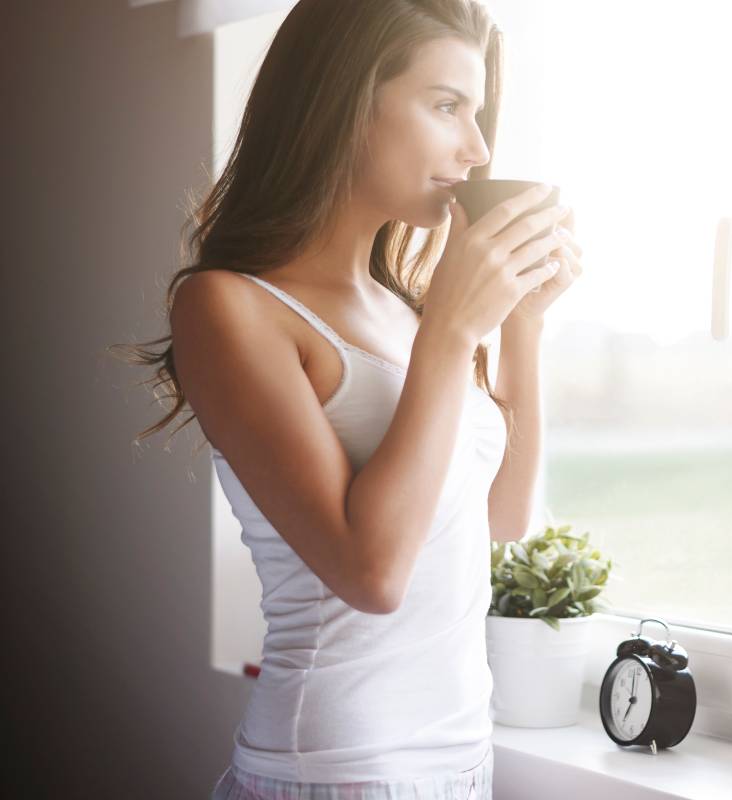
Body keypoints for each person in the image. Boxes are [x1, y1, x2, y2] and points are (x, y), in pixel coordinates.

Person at [111, 1, 583, 797]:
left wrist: (522, 326)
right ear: (344, 102)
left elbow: (502, 518)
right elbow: (372, 575)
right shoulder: (229, 307)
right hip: (337, 771)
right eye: (446, 107)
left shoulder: (405, 310)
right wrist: (451, 334)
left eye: (478, 113)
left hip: (463, 759)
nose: (478, 148)